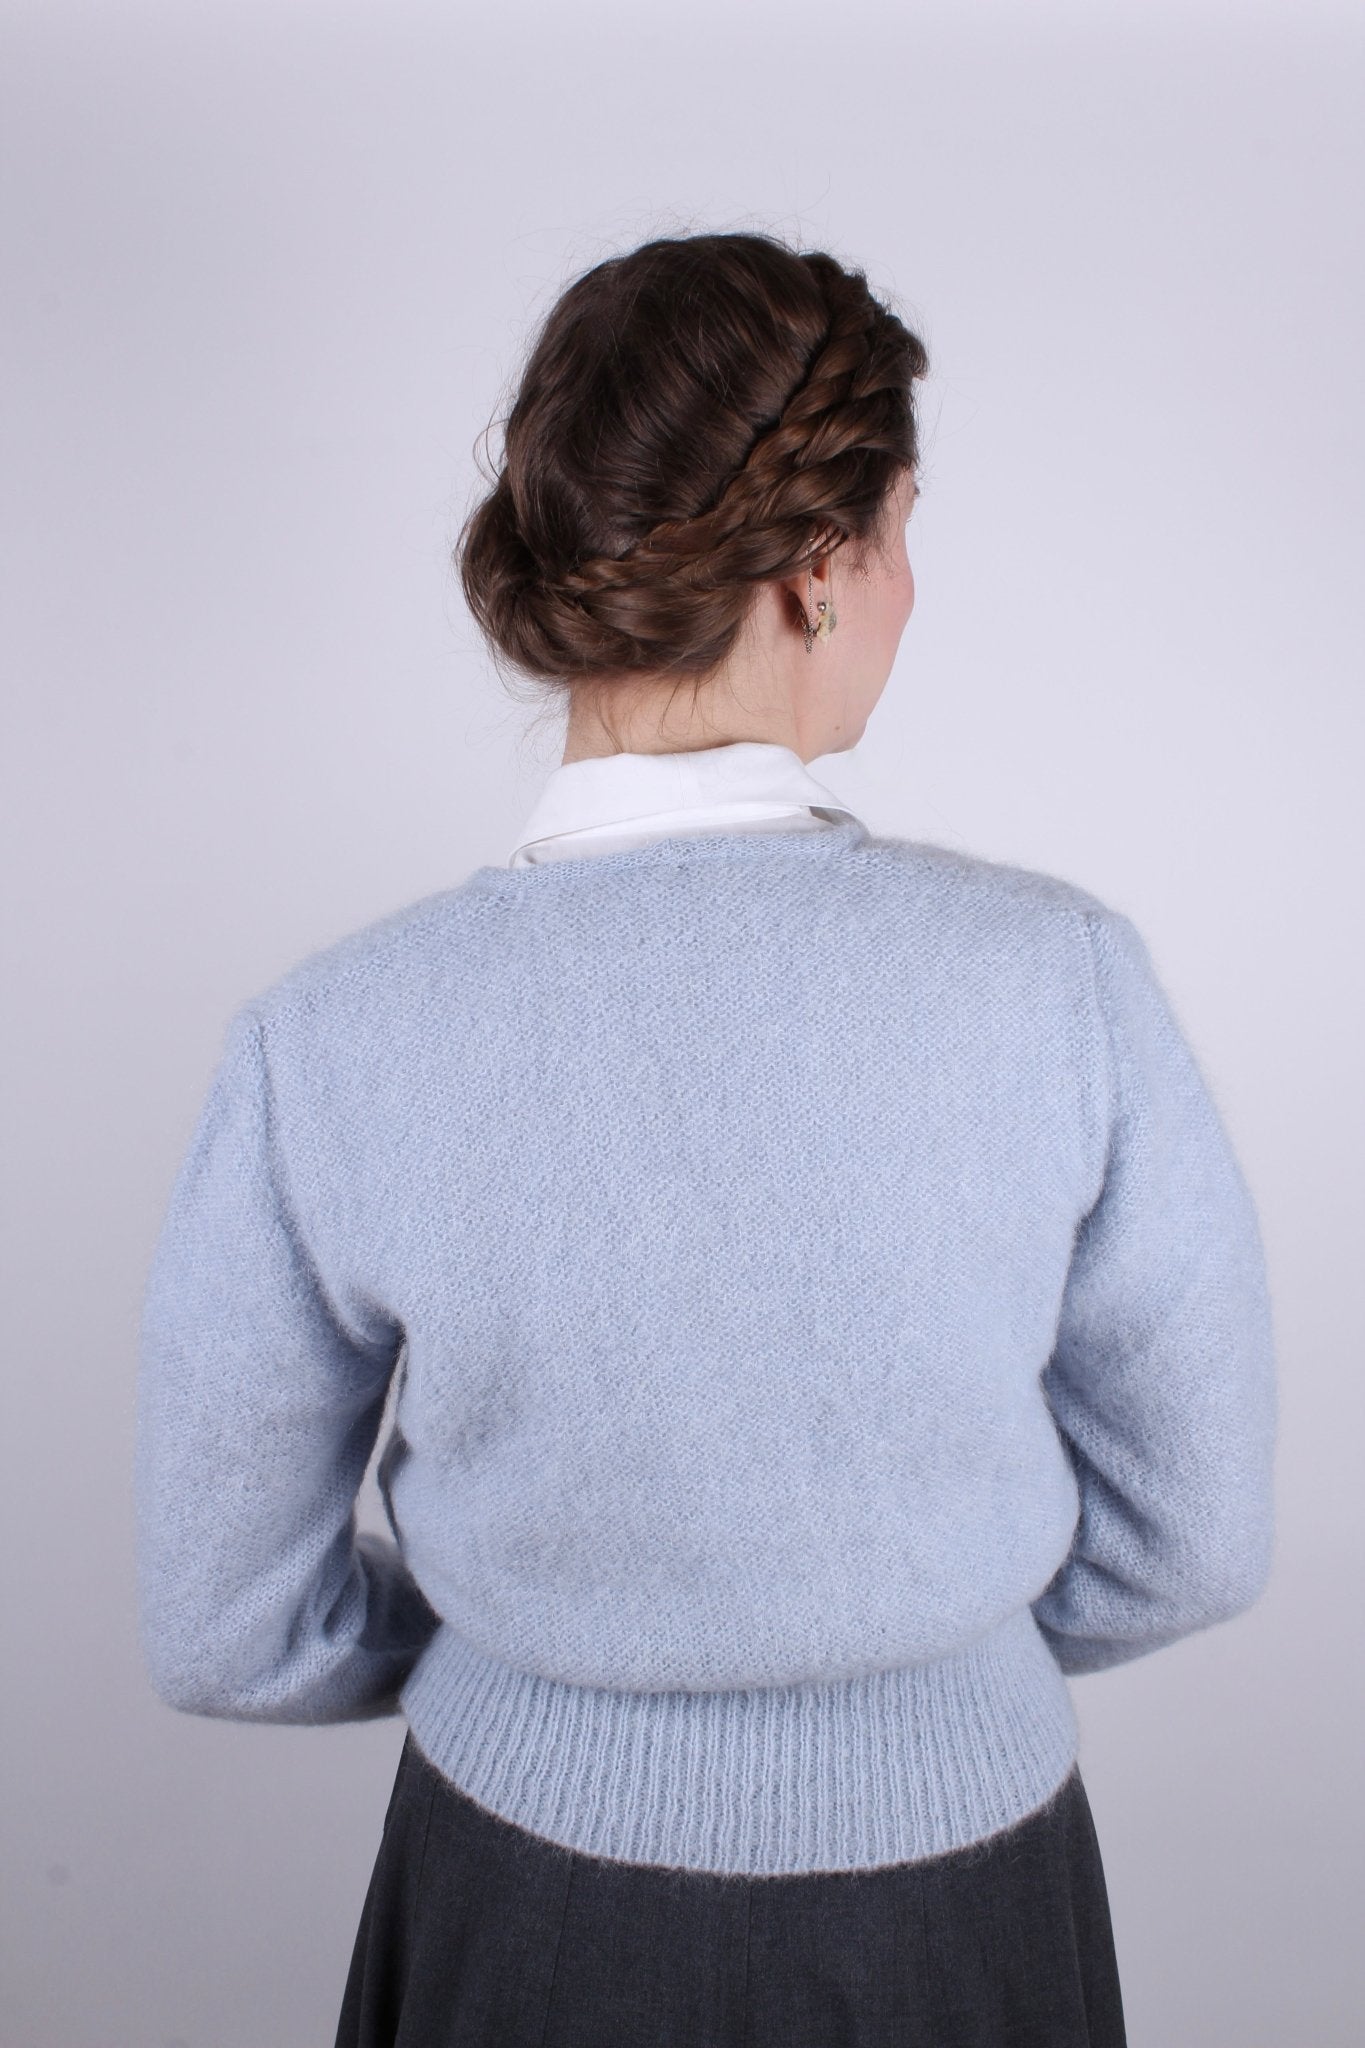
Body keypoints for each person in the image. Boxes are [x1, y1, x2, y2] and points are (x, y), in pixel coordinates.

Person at [133, 231, 1278, 2048]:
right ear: (819, 566)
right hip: (968, 1904)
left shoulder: (328, 1041)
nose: (907, 589)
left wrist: (536, 1651)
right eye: (901, 532)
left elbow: (225, 1621)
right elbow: (1190, 1538)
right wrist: (922, 1641)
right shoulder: (1059, 981)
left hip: (520, 1900)